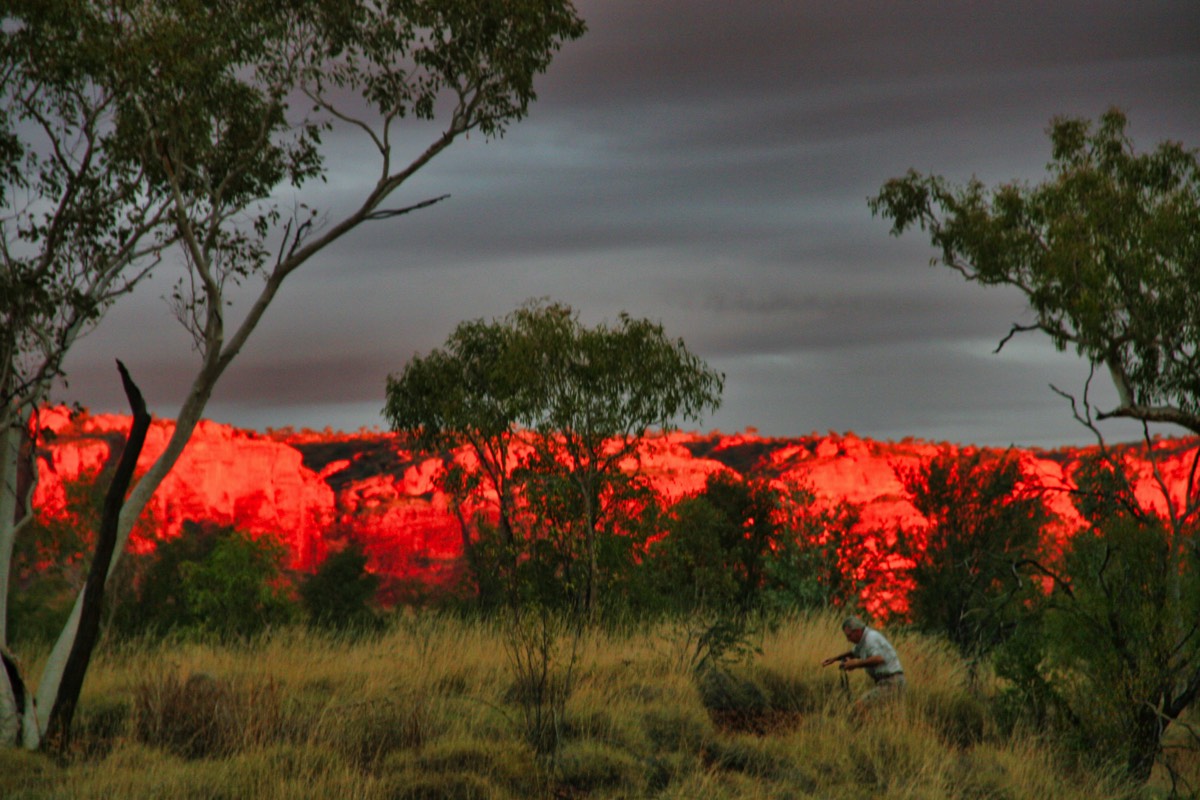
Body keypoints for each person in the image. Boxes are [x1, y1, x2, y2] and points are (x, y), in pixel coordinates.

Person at [821, 615, 905, 707]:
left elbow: (879, 658)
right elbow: (853, 653)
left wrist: (855, 664)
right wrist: (835, 659)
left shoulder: (870, 638)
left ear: (857, 631)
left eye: (849, 636)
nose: (848, 639)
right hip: (889, 682)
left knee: (860, 706)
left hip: (891, 682)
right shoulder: (863, 641)